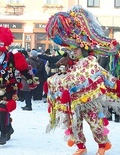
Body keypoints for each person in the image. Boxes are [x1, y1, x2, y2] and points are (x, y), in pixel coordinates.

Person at [45, 6, 120, 155]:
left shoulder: (89, 61)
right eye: (71, 49)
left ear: (82, 48)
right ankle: (81, 147)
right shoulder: (70, 62)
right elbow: (65, 78)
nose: (73, 52)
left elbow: (79, 78)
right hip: (74, 102)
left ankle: (102, 145)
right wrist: (56, 77)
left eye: (75, 49)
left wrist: (62, 80)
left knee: (95, 123)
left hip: (89, 100)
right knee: (74, 124)